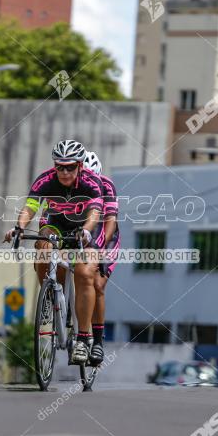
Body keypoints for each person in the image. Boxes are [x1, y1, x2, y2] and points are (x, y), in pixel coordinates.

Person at [4, 139, 104, 365]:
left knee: (85, 274)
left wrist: (87, 231)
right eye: (60, 166)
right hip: (56, 223)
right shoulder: (45, 180)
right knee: (43, 242)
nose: (64, 171)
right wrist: (19, 227)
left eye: (70, 167)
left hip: (82, 228)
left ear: (80, 165)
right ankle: (48, 296)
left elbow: (95, 213)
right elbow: (30, 207)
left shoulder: (91, 183)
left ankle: (83, 338)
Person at [82, 151, 120, 365]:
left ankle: (97, 342)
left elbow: (110, 223)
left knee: (97, 283)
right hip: (82, 234)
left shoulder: (107, 185)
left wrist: (100, 250)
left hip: (106, 235)